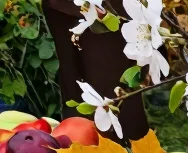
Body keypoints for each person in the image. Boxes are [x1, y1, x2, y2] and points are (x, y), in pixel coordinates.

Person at [42, 0, 148, 139]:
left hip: (111, 9)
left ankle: (132, 146)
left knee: (112, 81)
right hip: (62, 7)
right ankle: (78, 144)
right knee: (72, 82)